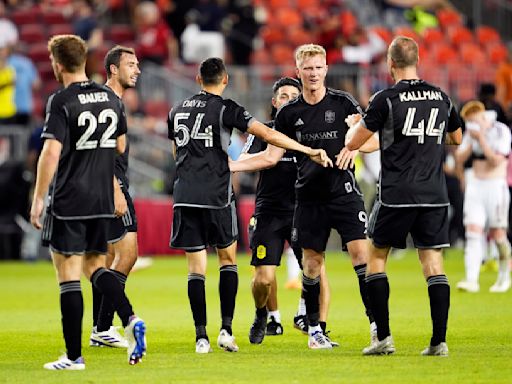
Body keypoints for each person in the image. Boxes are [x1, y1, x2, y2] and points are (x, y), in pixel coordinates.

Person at [167, 57, 331, 354]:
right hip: (219, 196)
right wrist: (307, 150)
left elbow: (176, 150)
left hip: (185, 194)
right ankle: (226, 331)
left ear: (197, 79)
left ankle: (201, 337)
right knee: (228, 261)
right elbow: (267, 140)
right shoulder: (227, 108)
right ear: (226, 79)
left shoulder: (176, 110)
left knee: (195, 269)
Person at [230, 44, 379, 350]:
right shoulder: (288, 114)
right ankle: (314, 331)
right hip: (308, 198)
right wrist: (229, 166)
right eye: (307, 68)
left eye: (318, 67)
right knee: (311, 266)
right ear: (298, 71)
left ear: (326, 69)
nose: (313, 74)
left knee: (363, 258)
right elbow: (271, 155)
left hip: (344, 192)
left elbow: (371, 139)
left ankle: (378, 327)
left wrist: (352, 146)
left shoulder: (343, 103)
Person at [341, 36, 463, 356]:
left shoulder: (386, 99)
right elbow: (456, 137)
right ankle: (439, 341)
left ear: (390, 63)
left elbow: (354, 143)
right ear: (418, 60)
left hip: (397, 194)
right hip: (434, 194)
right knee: (434, 265)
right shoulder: (441, 97)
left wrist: (355, 124)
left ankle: (382, 338)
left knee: (376, 261)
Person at [29, 35, 146, 369]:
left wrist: (38, 198)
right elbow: (121, 146)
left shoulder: (61, 100)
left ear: (57, 64)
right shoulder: (109, 100)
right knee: (95, 267)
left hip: (70, 197)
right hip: (99, 198)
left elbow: (50, 152)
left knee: (68, 274)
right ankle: (130, 319)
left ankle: (74, 356)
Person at [89, 46, 143, 347]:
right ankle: (104, 327)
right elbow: (100, 152)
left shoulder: (111, 100)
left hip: (106, 186)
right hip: (110, 186)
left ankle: (100, 329)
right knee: (128, 254)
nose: (137, 70)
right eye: (131, 64)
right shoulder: (108, 101)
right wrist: (115, 190)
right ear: (113, 69)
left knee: (108, 257)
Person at [454, 101, 511, 293]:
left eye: (473, 120)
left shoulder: (500, 130)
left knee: (498, 235)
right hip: (476, 185)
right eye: (468, 122)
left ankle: (504, 276)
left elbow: (497, 160)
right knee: (473, 231)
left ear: (483, 116)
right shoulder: (471, 134)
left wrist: (483, 138)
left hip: (496, 186)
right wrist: (472, 139)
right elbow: (459, 158)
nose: (472, 125)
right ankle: (471, 280)